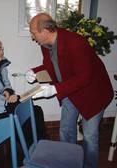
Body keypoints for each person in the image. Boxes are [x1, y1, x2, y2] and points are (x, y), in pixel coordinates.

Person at [25, 13, 114, 168]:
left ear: (45, 31)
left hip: (92, 93)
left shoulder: (76, 43)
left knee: (89, 136)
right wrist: (34, 71)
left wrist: (54, 89)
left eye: (33, 33)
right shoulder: (45, 45)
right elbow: (51, 66)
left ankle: (89, 166)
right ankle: (68, 163)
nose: (32, 37)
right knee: (66, 130)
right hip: (69, 90)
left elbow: (84, 77)